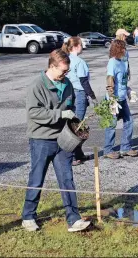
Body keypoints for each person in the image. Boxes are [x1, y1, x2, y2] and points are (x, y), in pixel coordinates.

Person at [22, 49, 91, 232]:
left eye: (67, 71)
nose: (65, 75)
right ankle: (28, 217)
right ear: (52, 67)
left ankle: (73, 219)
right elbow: (33, 112)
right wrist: (59, 114)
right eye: (63, 71)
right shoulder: (37, 85)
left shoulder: (67, 83)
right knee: (37, 178)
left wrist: (74, 122)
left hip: (62, 139)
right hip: (41, 139)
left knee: (67, 178)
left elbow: (71, 104)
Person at [61, 37, 98, 166]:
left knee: (71, 122)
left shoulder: (66, 59)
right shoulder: (80, 62)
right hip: (79, 93)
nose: (82, 47)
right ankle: (70, 156)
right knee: (77, 125)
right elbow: (84, 82)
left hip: (68, 93)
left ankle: (78, 154)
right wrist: (93, 97)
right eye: (81, 45)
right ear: (76, 46)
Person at [104, 39, 138, 159]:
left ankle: (125, 147)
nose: (125, 50)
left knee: (129, 122)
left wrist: (128, 91)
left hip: (122, 98)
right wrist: (112, 99)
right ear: (118, 49)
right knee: (111, 124)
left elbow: (122, 81)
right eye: (123, 48)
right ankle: (108, 149)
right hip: (113, 99)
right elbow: (110, 81)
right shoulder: (112, 62)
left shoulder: (123, 62)